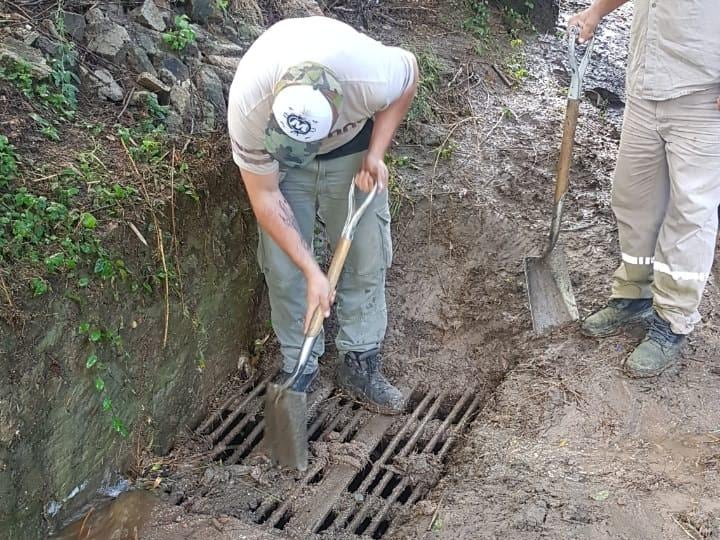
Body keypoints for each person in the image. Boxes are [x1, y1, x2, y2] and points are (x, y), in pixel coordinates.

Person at [226, 16, 418, 412]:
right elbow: (264, 198)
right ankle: (300, 362)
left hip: (350, 149)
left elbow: (410, 73)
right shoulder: (250, 103)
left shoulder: (368, 77)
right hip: (281, 167)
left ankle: (360, 361)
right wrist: (313, 271)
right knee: (283, 264)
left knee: (365, 252)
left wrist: (375, 153)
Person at [569, 1, 720, 377]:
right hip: (645, 85)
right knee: (633, 198)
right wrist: (596, 13)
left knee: (689, 213)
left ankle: (673, 319)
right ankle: (634, 294)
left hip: (702, 95)